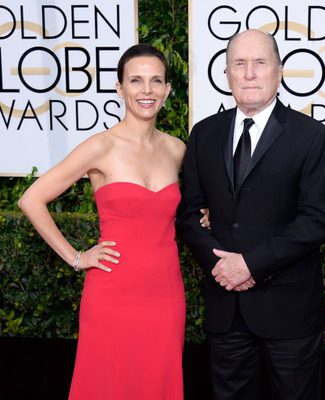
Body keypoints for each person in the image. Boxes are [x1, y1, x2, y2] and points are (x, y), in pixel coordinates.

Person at [19, 43, 209, 400]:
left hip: (166, 294)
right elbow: (31, 199)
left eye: (156, 81)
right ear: (120, 88)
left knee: (158, 384)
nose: (146, 90)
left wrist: (207, 213)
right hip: (112, 294)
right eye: (135, 81)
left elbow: (192, 206)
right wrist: (76, 257)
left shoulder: (177, 149)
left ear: (168, 89)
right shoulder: (99, 147)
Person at [176, 29, 325, 400]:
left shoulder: (311, 136)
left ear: (278, 72)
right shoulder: (204, 135)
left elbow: (316, 220)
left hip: (290, 312)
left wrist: (249, 264)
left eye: (259, 63)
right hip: (225, 308)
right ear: (227, 74)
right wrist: (222, 267)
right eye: (239, 64)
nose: (249, 73)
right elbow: (188, 215)